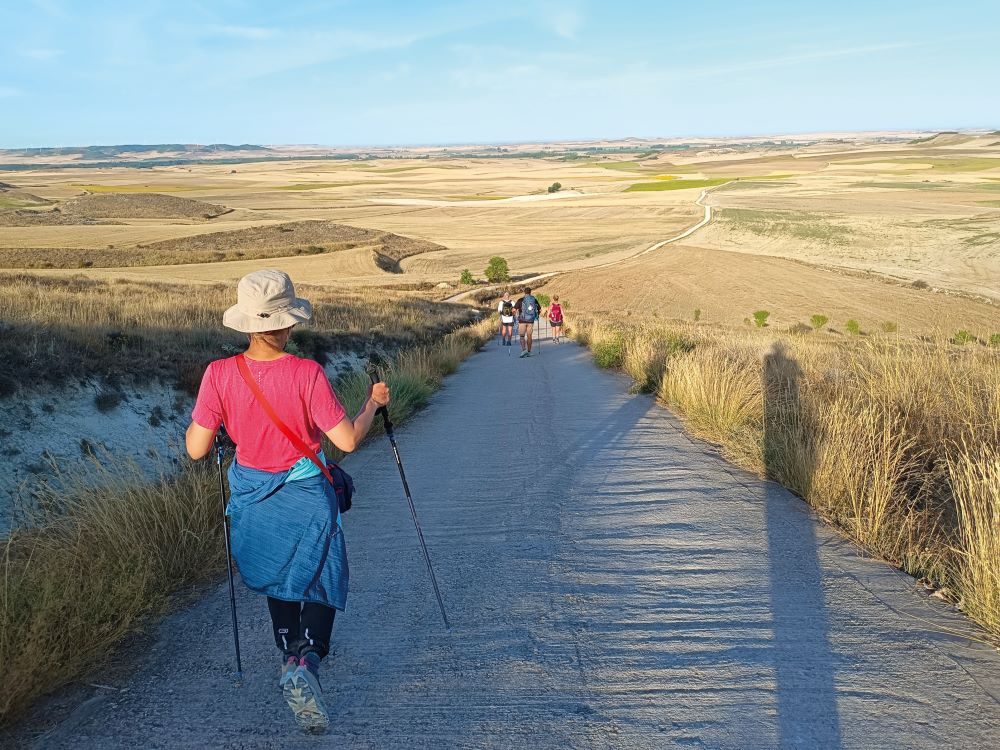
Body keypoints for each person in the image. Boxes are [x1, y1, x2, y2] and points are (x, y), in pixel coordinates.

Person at [184, 269, 390, 734]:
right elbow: (348, 441)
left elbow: (196, 448)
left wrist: (220, 423)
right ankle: (308, 664)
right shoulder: (306, 373)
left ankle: (287, 655)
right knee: (318, 576)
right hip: (306, 496)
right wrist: (371, 405)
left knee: (279, 577)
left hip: (254, 497)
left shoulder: (218, 375)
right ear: (286, 321)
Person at [513, 286, 540, 358]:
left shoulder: (520, 300)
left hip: (522, 320)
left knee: (522, 336)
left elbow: (514, 310)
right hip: (531, 320)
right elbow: (539, 309)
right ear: (530, 292)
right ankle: (529, 351)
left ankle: (523, 350)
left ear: (524, 292)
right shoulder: (534, 299)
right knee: (529, 336)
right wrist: (537, 315)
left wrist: (515, 315)